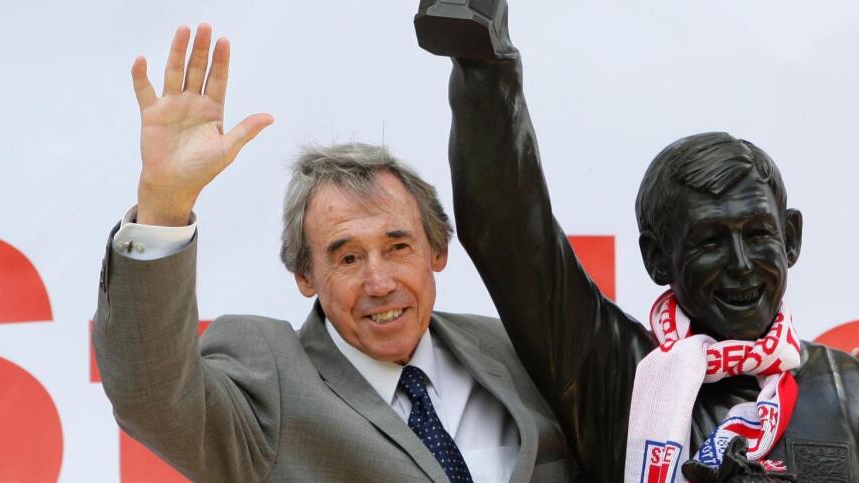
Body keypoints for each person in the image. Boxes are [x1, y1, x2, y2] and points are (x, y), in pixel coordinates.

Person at [439, 0, 859, 481]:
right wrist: (480, 41)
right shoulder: (617, 377)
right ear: (657, 257)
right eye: (711, 240)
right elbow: (508, 227)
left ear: (791, 239)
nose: (742, 264)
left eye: (758, 234)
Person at [92, 24, 577, 482]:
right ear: (305, 275)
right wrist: (165, 204)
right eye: (347, 258)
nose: (379, 281)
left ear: (437, 251)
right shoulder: (273, 377)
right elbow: (153, 397)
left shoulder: (513, 351)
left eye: (398, 246)